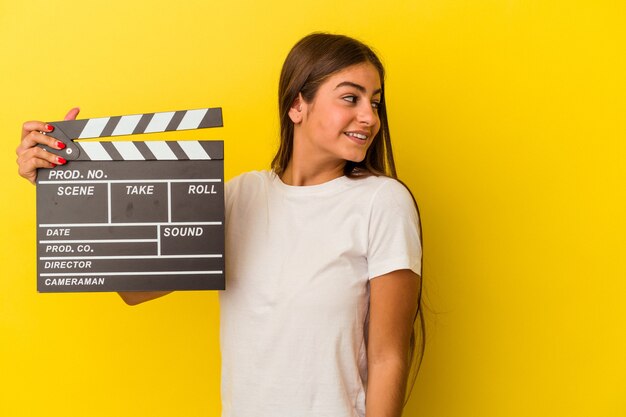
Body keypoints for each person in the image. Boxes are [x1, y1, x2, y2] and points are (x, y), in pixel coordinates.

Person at [16, 33, 424, 417]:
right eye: (350, 98)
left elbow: (388, 355)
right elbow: (135, 289)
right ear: (297, 105)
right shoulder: (238, 198)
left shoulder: (381, 202)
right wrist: (61, 185)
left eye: (375, 103)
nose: (368, 117)